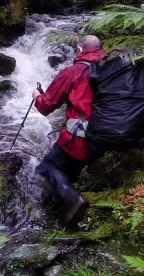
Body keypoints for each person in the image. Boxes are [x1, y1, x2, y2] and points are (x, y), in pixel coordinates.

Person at [32, 35, 106, 224]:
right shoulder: (111, 70)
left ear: (80, 50)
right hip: (106, 133)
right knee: (69, 170)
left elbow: (47, 105)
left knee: (48, 167)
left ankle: (74, 201)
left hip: (80, 137)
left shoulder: (74, 71)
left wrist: (36, 96)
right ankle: (63, 213)